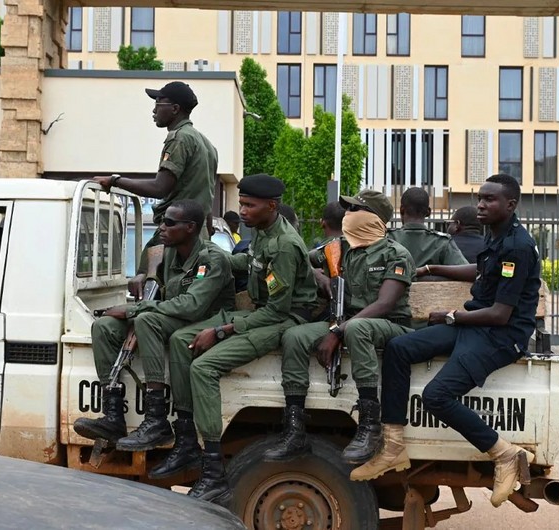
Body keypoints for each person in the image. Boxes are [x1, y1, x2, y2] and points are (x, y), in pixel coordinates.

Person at [350, 175, 541, 509]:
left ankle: (504, 453)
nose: (481, 205)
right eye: (480, 198)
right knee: (399, 348)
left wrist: (453, 316)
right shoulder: (496, 235)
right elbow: (481, 272)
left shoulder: (517, 247)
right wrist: (429, 268)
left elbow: (500, 314)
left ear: (510, 205)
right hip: (476, 325)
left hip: (501, 337)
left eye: (490, 199)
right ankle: (393, 446)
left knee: (436, 396)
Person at [163, 174, 317, 507]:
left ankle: (213, 472)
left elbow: (276, 310)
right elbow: (249, 263)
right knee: (180, 339)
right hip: (261, 313)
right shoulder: (262, 232)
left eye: (249, 205)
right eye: (242, 204)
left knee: (203, 368)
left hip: (283, 318)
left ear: (271, 206)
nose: (242, 211)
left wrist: (222, 331)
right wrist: (213, 258)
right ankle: (186, 437)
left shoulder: (284, 245)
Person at [264, 190, 415, 465]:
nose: (348, 215)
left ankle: (370, 424)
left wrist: (338, 330)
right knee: (294, 336)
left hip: (389, 325)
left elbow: (385, 303)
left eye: (355, 210)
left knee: (358, 328)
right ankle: (295, 426)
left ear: (374, 218)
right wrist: (318, 276)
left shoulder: (395, 253)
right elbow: (298, 259)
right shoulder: (338, 247)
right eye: (348, 210)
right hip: (343, 320)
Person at [73, 200, 235, 454]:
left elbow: (193, 305)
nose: (161, 227)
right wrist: (144, 276)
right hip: (173, 315)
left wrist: (134, 309)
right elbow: (158, 285)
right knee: (104, 326)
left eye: (169, 223)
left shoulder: (211, 259)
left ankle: (156, 418)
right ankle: (113, 417)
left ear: (190, 227)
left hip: (206, 319)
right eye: (162, 221)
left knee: (145, 319)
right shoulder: (169, 252)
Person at [94, 81, 218, 297]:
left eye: (159, 103)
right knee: (190, 293)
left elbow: (159, 187)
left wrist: (115, 180)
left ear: (175, 108)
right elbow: (206, 200)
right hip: (197, 236)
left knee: (150, 291)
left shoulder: (179, 138)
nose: (154, 110)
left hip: (175, 235)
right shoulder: (208, 145)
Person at [388, 187, 468, 268]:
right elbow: (465, 270)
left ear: (401, 210)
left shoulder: (388, 239)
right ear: (428, 212)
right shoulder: (442, 242)